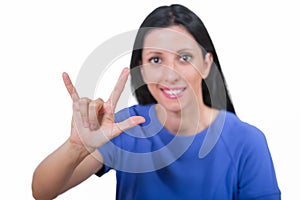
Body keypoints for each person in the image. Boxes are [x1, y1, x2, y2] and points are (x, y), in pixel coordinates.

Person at [32, 4, 281, 200]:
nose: (170, 74)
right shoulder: (127, 127)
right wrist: (76, 147)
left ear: (207, 64)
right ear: (141, 69)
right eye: (155, 60)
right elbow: (42, 192)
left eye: (184, 57)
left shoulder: (246, 141)